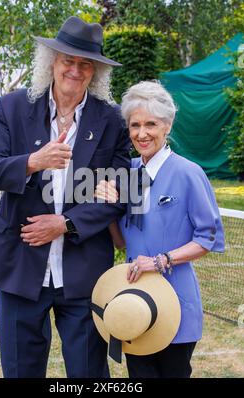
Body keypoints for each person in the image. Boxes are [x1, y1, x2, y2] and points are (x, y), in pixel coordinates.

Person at [0, 16, 130, 378]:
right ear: (52, 62)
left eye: (85, 64)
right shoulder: (14, 107)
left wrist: (65, 224)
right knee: (20, 371)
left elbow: (120, 191)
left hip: (84, 272)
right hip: (19, 268)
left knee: (89, 374)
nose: (75, 70)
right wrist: (33, 162)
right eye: (68, 61)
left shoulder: (111, 120)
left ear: (95, 73)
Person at [95, 80, 225, 378]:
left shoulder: (189, 173)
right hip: (133, 301)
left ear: (167, 125)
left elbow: (208, 237)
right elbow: (121, 244)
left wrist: (160, 261)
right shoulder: (127, 172)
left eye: (151, 124)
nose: (142, 134)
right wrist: (107, 207)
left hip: (175, 302)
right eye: (135, 125)